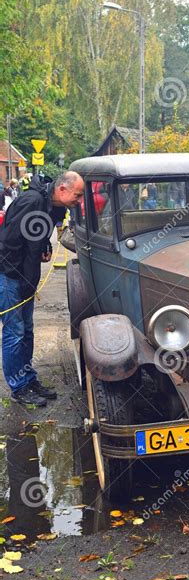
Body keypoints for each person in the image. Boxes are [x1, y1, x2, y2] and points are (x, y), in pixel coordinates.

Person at [0, 171, 84, 407]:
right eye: (77, 195)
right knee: (14, 332)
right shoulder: (32, 201)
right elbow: (9, 241)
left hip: (24, 277)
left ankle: (28, 379)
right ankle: (18, 388)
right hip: (9, 275)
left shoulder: (53, 206)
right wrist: (21, 279)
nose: (79, 200)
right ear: (62, 190)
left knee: (26, 330)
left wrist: (44, 245)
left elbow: (33, 234)